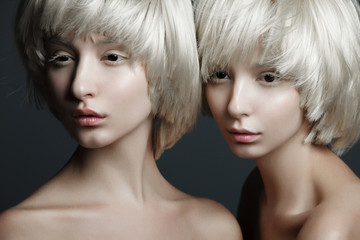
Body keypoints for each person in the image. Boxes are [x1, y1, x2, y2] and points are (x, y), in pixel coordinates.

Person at [0, 0, 242, 239]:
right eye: (62, 57)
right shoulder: (22, 230)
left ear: (168, 65)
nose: (79, 86)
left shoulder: (212, 228)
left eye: (112, 57)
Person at [194, 0, 360, 239]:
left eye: (269, 78)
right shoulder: (258, 189)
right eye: (220, 75)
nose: (235, 105)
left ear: (321, 78)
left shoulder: (335, 227)